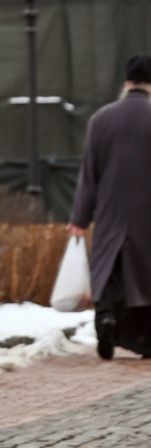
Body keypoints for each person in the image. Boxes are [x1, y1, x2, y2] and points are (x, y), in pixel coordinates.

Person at [70, 53, 151, 360]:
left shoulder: (101, 119)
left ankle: (106, 318)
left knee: (109, 270)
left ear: (127, 82)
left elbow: (89, 174)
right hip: (147, 217)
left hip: (110, 213)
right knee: (145, 277)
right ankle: (143, 338)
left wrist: (80, 217)